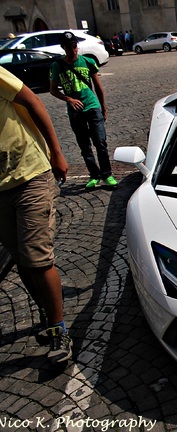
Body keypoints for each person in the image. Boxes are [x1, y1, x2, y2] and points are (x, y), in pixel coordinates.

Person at [0, 66, 73, 364]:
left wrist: (56, 152)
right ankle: (46, 313)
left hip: (30, 173)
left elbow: (33, 101)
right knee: (21, 260)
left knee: (36, 258)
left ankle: (59, 330)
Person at [49, 31, 118, 189]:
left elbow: (99, 88)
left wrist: (103, 109)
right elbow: (53, 90)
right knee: (84, 146)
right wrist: (69, 99)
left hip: (92, 107)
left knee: (100, 142)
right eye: (68, 47)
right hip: (75, 111)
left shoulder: (87, 61)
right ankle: (94, 175)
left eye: (74, 46)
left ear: (77, 46)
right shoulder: (57, 66)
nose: (72, 50)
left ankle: (107, 174)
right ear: (63, 48)